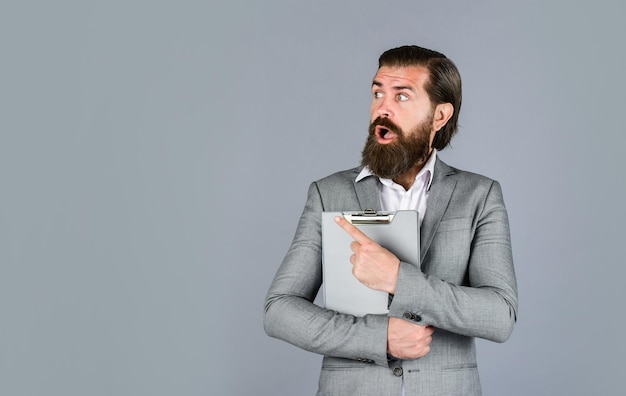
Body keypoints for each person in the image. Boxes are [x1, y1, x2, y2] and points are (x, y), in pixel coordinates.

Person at [264, 45, 518, 395]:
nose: (382, 107)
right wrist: (378, 338)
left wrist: (400, 280)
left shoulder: (480, 195)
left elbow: (499, 316)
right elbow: (279, 310)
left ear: (440, 115)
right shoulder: (327, 192)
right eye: (377, 93)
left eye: (402, 96)